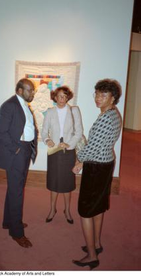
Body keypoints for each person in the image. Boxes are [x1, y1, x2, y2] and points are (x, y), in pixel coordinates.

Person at [72, 79, 122, 270]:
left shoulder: (105, 118)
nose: (98, 98)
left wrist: (78, 161)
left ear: (113, 98)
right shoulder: (113, 114)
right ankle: (97, 244)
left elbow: (91, 148)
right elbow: (100, 144)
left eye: (104, 95)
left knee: (85, 210)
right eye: (97, 94)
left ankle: (92, 256)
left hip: (96, 168)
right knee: (98, 206)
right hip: (106, 163)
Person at [0, 78, 38, 248]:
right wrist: (16, 149)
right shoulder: (10, 105)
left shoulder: (23, 104)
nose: (32, 93)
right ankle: (17, 232)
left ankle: (8, 222)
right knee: (17, 192)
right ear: (20, 90)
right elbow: (1, 132)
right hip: (17, 153)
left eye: (32, 90)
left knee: (14, 189)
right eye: (29, 90)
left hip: (25, 150)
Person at [41, 86, 83, 224]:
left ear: (68, 98)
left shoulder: (73, 111)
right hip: (54, 152)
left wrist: (69, 144)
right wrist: (47, 140)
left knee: (67, 183)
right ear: (55, 97)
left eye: (65, 96)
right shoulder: (50, 112)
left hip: (68, 152)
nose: (62, 99)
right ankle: (52, 209)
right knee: (54, 182)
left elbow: (79, 132)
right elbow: (44, 131)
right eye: (59, 96)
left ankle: (67, 210)